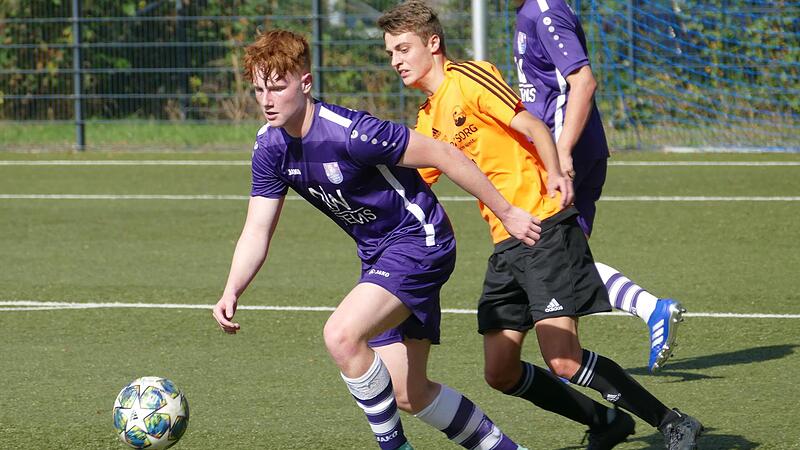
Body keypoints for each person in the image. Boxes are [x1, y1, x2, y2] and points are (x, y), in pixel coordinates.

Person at [377, 2, 703, 449]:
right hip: (507, 242)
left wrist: (554, 171)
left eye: (402, 48)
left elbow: (532, 123)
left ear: (432, 44)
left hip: (543, 223)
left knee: (563, 360)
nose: (395, 60)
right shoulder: (428, 118)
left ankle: (672, 420)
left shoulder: (469, 77)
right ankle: (604, 422)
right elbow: (410, 183)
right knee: (500, 370)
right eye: (390, 52)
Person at [211, 28, 537, 450]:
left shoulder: (352, 133)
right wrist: (232, 288)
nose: (267, 100)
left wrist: (508, 212)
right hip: (378, 255)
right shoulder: (270, 148)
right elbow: (257, 228)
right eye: (258, 89)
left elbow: (446, 154)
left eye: (277, 87)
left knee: (341, 335)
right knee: (409, 393)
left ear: (305, 83)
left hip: (421, 243)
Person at [512, 0, 685, 373]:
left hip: (562, 154)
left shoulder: (545, 9)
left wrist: (562, 151)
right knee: (563, 260)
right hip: (566, 149)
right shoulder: (531, 10)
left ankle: (644, 311)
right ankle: (574, 361)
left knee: (546, 257)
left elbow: (583, 82)